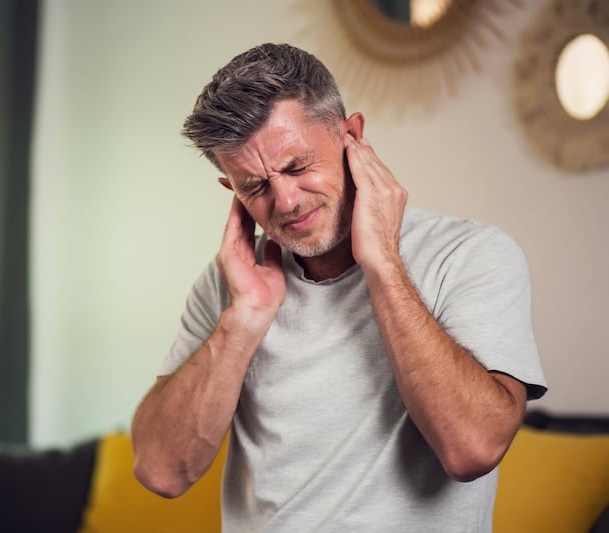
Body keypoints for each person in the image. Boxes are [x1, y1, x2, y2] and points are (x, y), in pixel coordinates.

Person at [130, 43, 547, 532]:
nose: (284, 202)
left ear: (352, 136)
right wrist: (243, 318)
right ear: (232, 191)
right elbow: (161, 470)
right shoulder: (232, 281)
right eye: (255, 187)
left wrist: (383, 264)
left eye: (296, 167)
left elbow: (472, 449)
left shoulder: (471, 255)